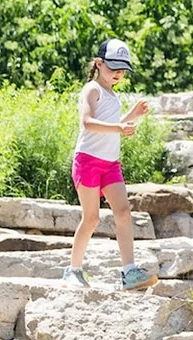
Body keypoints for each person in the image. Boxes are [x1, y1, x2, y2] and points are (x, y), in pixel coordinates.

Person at [66, 38, 158, 290]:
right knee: (91, 218)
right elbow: (87, 122)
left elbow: (111, 126)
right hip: (87, 161)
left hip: (110, 164)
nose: (117, 73)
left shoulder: (113, 95)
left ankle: (129, 271)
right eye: (112, 67)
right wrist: (119, 126)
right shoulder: (92, 90)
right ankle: (73, 270)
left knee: (124, 212)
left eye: (122, 69)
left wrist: (131, 116)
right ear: (98, 63)